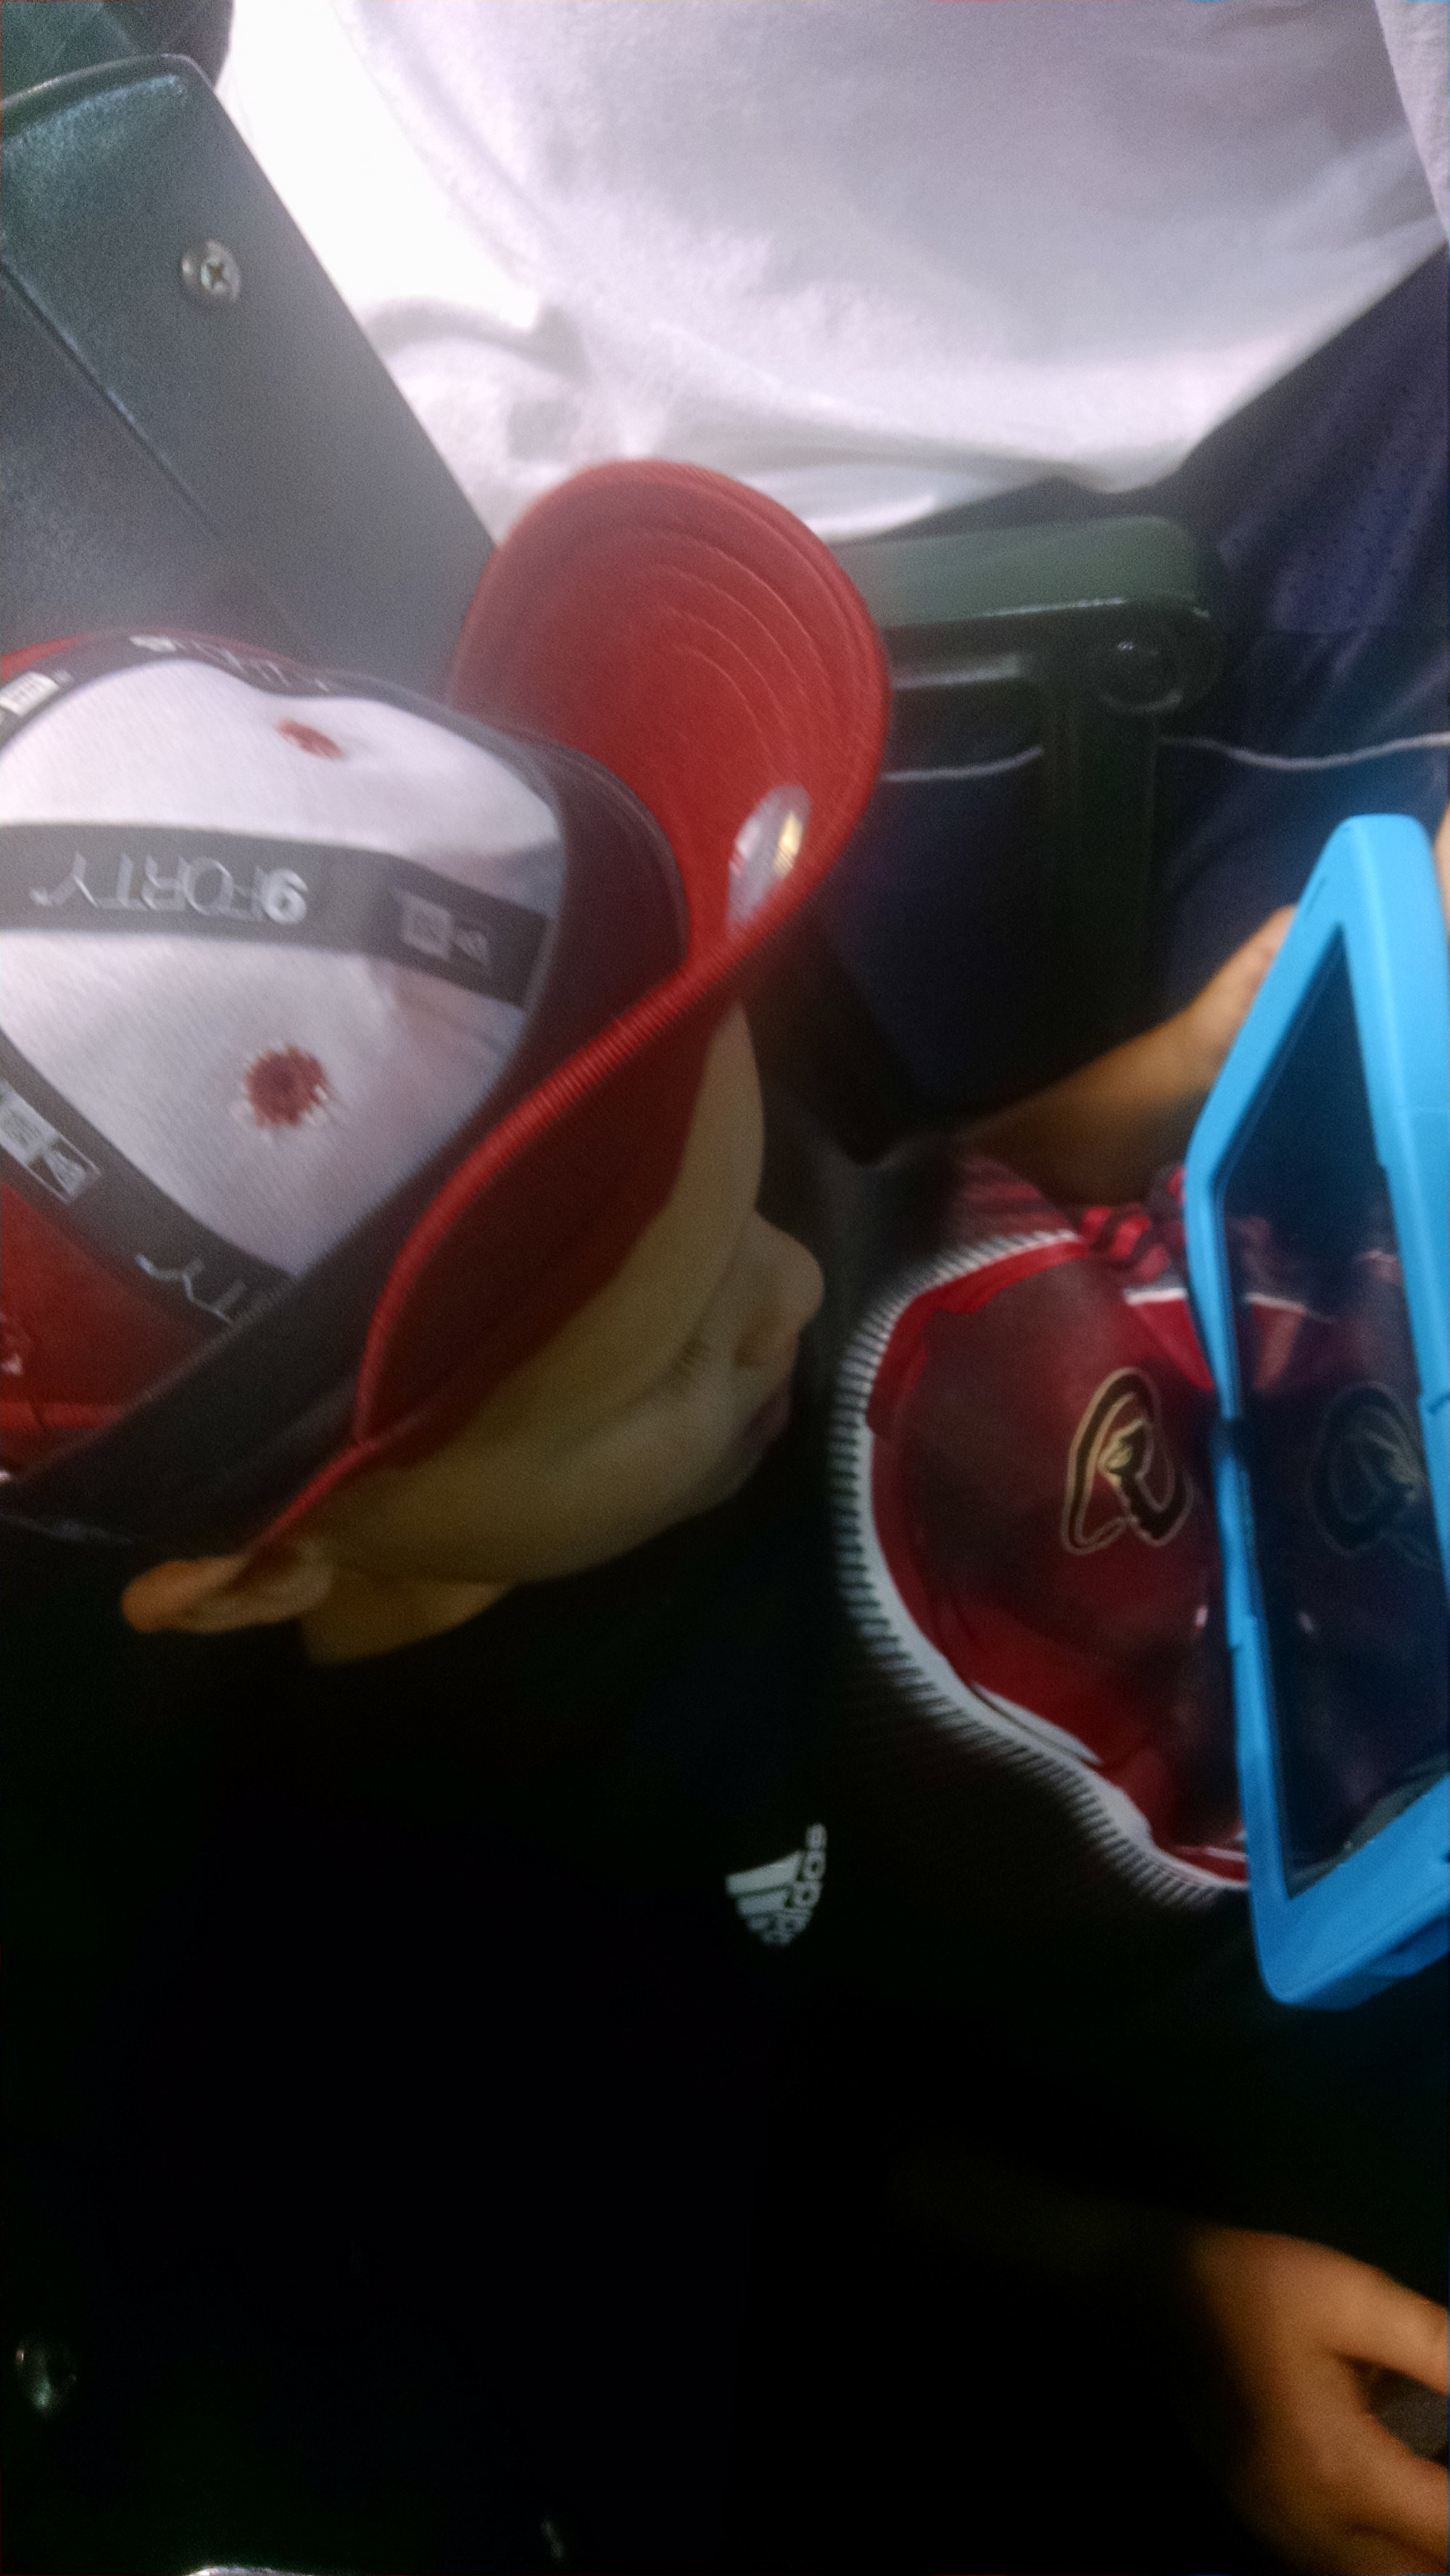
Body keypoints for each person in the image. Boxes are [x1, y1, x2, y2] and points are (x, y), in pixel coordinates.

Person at [4, 495, 1444, 2569]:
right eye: (673, 1354)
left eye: (742, 1158)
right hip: (1325, 1998)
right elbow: (814, 2183)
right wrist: (1168, 2313)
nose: (781, 1294)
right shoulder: (485, 1875)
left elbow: (911, 1203)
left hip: (1320, 1340)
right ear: (264, 1567)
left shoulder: (674, 1242)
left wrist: (1206, 1057)